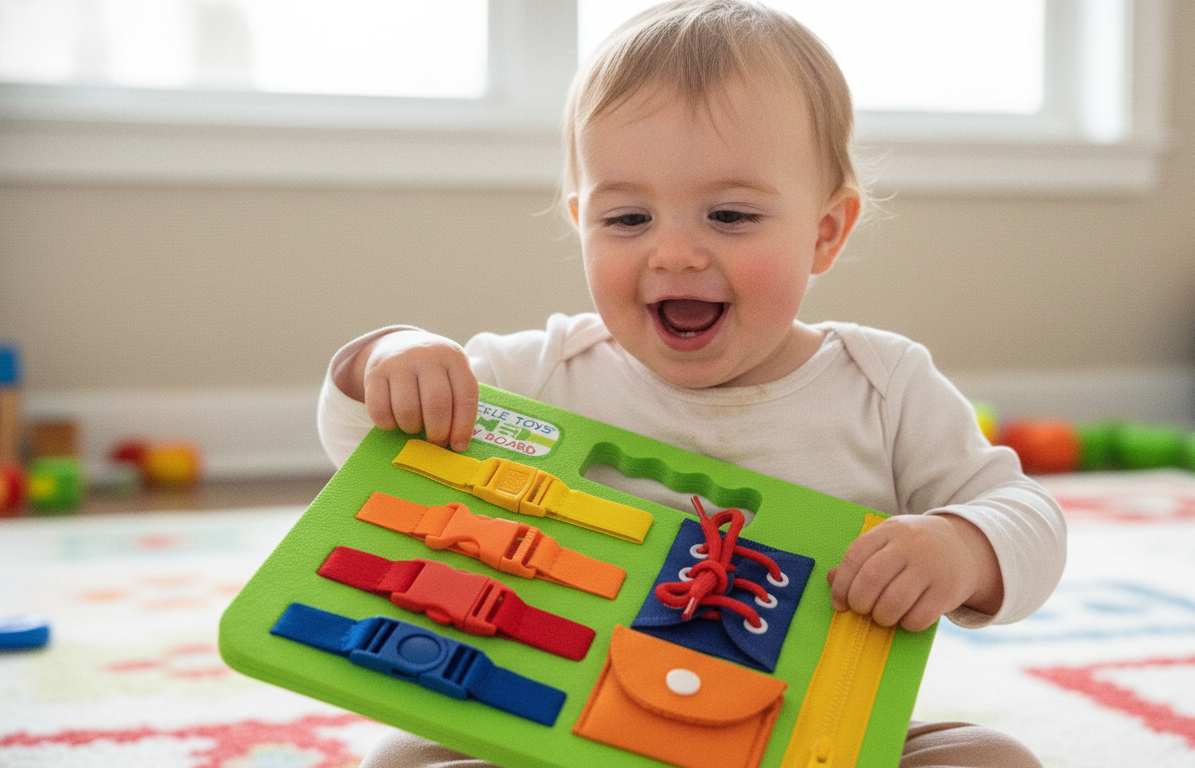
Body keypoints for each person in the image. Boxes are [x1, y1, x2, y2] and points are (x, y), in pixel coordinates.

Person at [318, 2, 1065, 766]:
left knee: (990, 757)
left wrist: (962, 548)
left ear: (825, 232)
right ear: (582, 223)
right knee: (402, 759)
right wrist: (393, 357)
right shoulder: (538, 371)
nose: (674, 252)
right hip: (553, 726)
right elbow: (364, 449)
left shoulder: (885, 385)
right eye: (629, 218)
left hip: (800, 739)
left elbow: (1026, 516)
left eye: (730, 215)